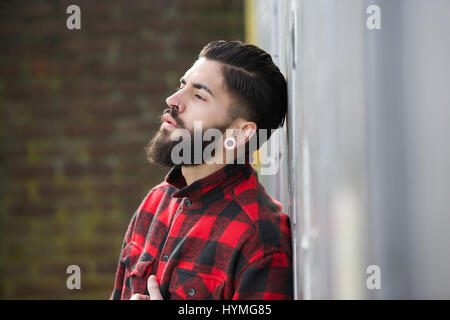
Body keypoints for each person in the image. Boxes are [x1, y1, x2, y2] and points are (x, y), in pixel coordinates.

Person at [110, 40, 292, 300]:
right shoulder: (155, 202)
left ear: (239, 133)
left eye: (199, 95)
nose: (173, 100)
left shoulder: (259, 243)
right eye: (182, 85)